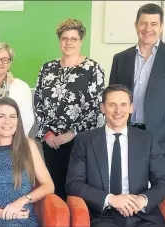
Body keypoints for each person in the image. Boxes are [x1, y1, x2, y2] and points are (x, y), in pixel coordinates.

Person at [66, 84, 165, 227]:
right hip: (103, 216)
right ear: (102, 108)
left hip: (142, 215)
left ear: (131, 108)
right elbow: (73, 184)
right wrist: (111, 199)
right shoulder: (85, 141)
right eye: (112, 105)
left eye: (123, 105)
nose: (118, 111)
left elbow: (164, 183)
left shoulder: (147, 139)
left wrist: (142, 199)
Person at [109, 3, 165, 196]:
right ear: (136, 25)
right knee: (129, 187)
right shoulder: (121, 58)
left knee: (162, 192)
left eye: (153, 24)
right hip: (128, 134)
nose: (148, 29)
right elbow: (112, 99)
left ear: (161, 26)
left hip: (163, 137)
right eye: (143, 23)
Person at [34, 18, 105, 202]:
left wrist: (70, 134)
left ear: (81, 41)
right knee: (53, 190)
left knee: (76, 191)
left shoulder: (93, 69)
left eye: (74, 39)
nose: (68, 43)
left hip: (79, 141)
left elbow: (95, 109)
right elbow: (38, 103)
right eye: (64, 38)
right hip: (51, 142)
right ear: (59, 40)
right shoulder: (47, 68)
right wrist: (47, 133)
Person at [0, 97, 54, 227]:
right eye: (1, 116)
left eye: (12, 117)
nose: (7, 122)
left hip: (24, 221)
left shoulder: (29, 146)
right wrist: (2, 213)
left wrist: (22, 201)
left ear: (18, 120)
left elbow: (49, 185)